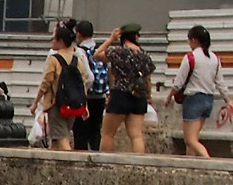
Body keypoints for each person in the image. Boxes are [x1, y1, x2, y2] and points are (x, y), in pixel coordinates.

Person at [168, 24, 227, 158]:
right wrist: (228, 100)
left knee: (190, 140)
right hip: (208, 100)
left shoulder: (191, 57)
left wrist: (169, 96)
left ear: (194, 40)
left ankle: (207, 161)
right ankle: (191, 164)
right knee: (193, 137)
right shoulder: (215, 58)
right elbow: (220, 82)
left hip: (194, 100)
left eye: (189, 40)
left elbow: (179, 82)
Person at [32, 20, 89, 151]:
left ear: (61, 41)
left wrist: (36, 102)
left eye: (54, 39)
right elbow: (83, 83)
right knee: (56, 139)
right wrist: (85, 104)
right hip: (73, 104)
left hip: (56, 105)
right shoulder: (77, 59)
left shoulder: (54, 59)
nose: (52, 42)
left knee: (63, 139)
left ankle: (71, 166)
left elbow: (46, 82)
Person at [100, 24, 155, 154]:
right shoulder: (144, 55)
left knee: (108, 134)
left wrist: (111, 39)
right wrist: (148, 96)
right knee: (136, 135)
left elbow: (98, 54)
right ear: (135, 36)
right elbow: (148, 79)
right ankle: (138, 164)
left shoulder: (118, 52)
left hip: (120, 95)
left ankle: (105, 163)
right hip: (139, 96)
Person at [72, 20, 106, 152]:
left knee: (80, 131)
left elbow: (88, 77)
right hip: (100, 96)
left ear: (78, 34)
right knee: (96, 129)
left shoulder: (79, 51)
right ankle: (96, 154)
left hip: (85, 96)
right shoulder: (99, 50)